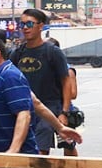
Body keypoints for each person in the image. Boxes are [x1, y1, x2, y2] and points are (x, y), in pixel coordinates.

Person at [10, 9, 73, 155]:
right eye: (22, 24)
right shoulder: (16, 54)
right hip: (23, 110)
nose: (25, 28)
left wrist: (64, 112)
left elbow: (66, 82)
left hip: (48, 109)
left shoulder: (53, 52)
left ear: (41, 26)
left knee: (40, 154)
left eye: (30, 24)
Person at [47, 37, 80, 157]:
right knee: (43, 144)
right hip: (48, 112)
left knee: (68, 146)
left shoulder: (67, 69)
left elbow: (73, 94)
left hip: (63, 113)